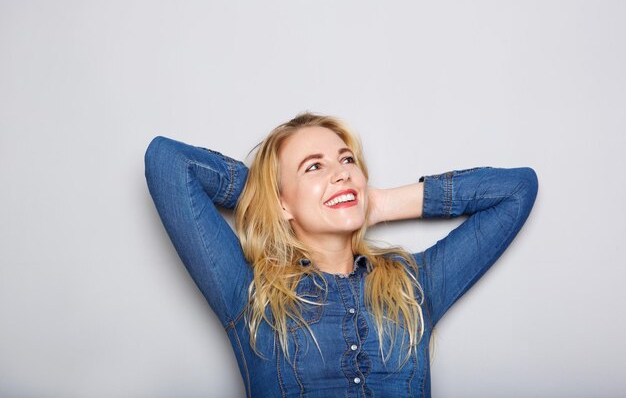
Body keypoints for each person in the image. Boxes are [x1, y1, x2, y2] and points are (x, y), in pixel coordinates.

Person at [144, 112, 538, 398]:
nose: (341, 172)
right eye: (313, 167)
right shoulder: (250, 295)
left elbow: (517, 189)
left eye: (347, 160)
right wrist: (268, 194)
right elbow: (168, 163)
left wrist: (377, 204)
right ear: (282, 202)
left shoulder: (413, 285)